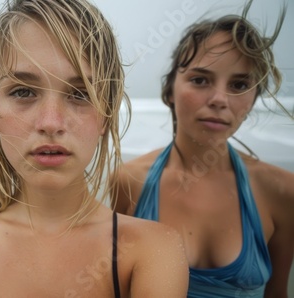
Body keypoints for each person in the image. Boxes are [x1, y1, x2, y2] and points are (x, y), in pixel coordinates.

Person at [0, 0, 189, 297]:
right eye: (23, 91)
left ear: (106, 114)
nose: (51, 123)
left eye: (80, 93)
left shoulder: (152, 253)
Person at [111, 1, 294, 297]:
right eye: (200, 80)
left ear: (252, 100)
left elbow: (277, 293)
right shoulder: (128, 181)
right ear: (169, 90)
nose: (220, 99)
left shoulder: (281, 190)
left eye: (239, 85)